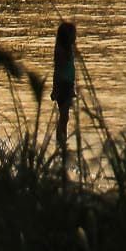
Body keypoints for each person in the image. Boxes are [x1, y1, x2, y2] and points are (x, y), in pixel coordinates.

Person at [52, 21, 78, 158]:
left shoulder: (68, 50)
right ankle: (60, 142)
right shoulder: (60, 51)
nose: (76, 38)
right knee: (63, 116)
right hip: (62, 86)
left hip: (68, 85)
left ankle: (62, 141)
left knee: (65, 116)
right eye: (74, 35)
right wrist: (55, 89)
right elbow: (57, 71)